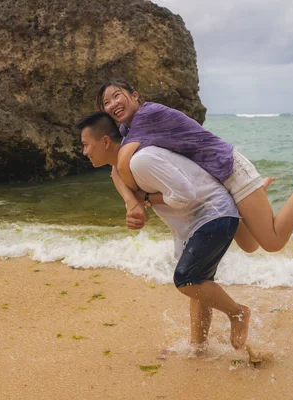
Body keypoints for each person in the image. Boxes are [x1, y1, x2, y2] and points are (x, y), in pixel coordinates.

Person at [97, 79, 293, 253]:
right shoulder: (126, 128)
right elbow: (116, 170)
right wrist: (135, 201)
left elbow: (121, 161)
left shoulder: (147, 115)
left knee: (273, 242)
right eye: (106, 103)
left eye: (116, 95)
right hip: (214, 180)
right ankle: (259, 193)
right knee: (249, 245)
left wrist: (140, 198)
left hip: (229, 168)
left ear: (135, 95)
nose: (112, 104)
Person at [76, 111, 251, 351]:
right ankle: (198, 348)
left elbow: (186, 195)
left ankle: (237, 312)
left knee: (186, 279)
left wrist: (145, 197)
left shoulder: (141, 160)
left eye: (86, 145)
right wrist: (135, 206)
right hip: (196, 223)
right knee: (199, 284)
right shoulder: (122, 168)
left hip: (214, 214)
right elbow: (116, 174)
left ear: (105, 141)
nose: (84, 152)